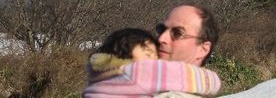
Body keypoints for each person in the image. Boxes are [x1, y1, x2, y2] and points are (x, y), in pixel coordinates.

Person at [83, 28, 221, 97]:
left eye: (155, 55)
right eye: (147, 51)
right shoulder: (135, 71)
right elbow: (181, 75)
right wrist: (213, 81)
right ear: (122, 49)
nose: (154, 58)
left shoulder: (98, 75)